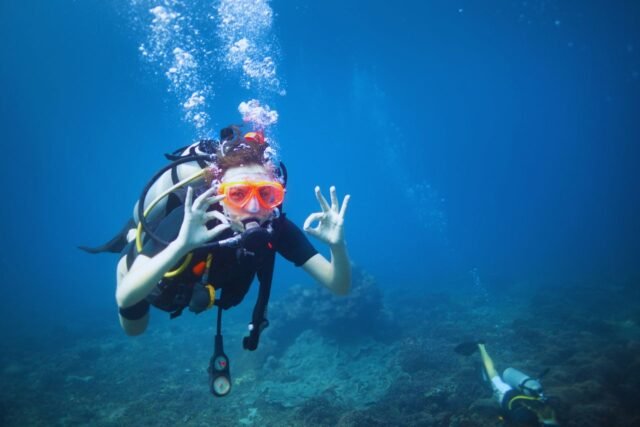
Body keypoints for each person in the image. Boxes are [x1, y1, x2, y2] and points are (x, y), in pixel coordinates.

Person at [83, 126, 351, 396]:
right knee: (135, 330)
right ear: (219, 196)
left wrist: (337, 246)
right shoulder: (191, 219)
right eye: (238, 194)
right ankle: (134, 242)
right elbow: (126, 296)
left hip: (200, 286)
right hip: (153, 279)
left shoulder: (276, 227)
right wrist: (181, 244)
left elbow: (339, 286)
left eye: (266, 194)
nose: (254, 207)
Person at [455, 341, 560, 426]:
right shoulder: (526, 418)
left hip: (522, 395)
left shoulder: (548, 409)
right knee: (492, 373)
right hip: (506, 394)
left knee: (491, 375)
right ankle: (481, 347)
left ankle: (481, 350)